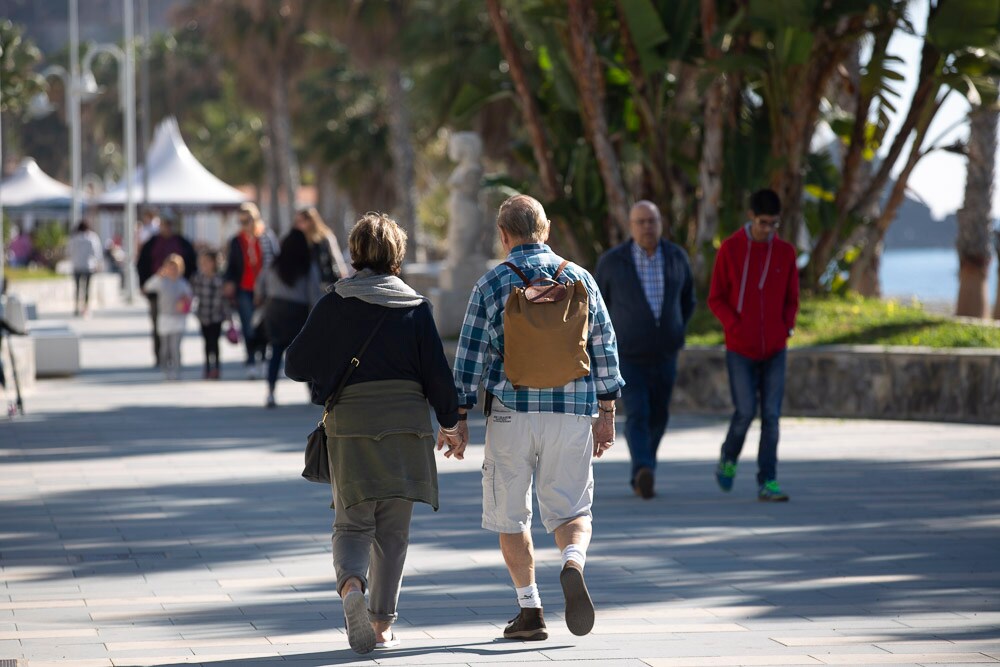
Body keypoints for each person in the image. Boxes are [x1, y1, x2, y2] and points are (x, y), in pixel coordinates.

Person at [444, 194, 624, 641]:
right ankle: (572, 562)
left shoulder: (491, 284)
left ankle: (531, 610)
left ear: (504, 235)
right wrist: (607, 413)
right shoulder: (580, 278)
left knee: (511, 517)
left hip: (511, 416)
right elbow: (604, 349)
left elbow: (469, 358)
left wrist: (458, 418)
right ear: (545, 229)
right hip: (571, 416)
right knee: (571, 510)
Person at [285, 212, 461, 654]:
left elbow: (294, 364)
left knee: (353, 521)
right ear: (397, 255)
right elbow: (437, 375)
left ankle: (350, 589)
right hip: (407, 426)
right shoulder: (416, 308)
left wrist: (332, 365)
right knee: (394, 531)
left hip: (352, 426)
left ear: (355, 252)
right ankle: (381, 625)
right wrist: (451, 423)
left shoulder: (335, 302)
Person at [595, 201, 695, 499]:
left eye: (652, 221)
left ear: (660, 223)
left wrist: (676, 329)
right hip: (628, 354)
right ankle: (643, 468)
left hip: (666, 352)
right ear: (630, 226)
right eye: (640, 222)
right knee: (638, 413)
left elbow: (688, 300)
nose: (647, 227)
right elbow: (600, 307)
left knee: (659, 415)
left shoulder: (676, 257)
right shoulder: (613, 261)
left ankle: (644, 469)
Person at [708, 188, 800, 502]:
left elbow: (792, 299)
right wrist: (735, 325)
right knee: (745, 411)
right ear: (751, 217)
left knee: (771, 416)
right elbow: (715, 298)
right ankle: (729, 457)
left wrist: (786, 326)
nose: (768, 229)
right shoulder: (731, 249)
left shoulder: (786, 253)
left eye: (774, 223)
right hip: (740, 349)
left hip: (775, 349)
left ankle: (768, 480)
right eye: (763, 222)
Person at [255, 229, 322, 408]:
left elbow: (260, 286)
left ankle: (270, 392)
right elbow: (314, 295)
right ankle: (312, 392)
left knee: (275, 352)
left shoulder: (274, 265)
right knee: (304, 353)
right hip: (297, 312)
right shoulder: (308, 266)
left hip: (274, 310)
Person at [137, 216, 197, 367]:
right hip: (158, 291)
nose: (167, 228)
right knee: (158, 325)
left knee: (176, 330)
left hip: (178, 291)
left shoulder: (182, 243)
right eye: (164, 225)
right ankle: (161, 357)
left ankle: (175, 355)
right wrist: (144, 285)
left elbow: (191, 263)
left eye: (169, 225)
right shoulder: (152, 243)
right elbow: (142, 264)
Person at [223, 203, 269, 378]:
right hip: (244, 288)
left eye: (247, 220)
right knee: (248, 326)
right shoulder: (236, 241)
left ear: (256, 219)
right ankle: (250, 360)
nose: (244, 225)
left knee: (263, 326)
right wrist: (228, 282)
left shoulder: (265, 237)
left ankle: (263, 359)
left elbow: (272, 262)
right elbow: (231, 266)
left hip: (264, 290)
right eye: (240, 221)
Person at [142, 253, 193, 381]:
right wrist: (157, 276)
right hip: (164, 318)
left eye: (175, 268)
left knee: (175, 347)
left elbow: (190, 297)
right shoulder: (161, 282)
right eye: (169, 267)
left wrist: (185, 302)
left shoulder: (183, 283)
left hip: (178, 319)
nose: (172, 270)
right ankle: (165, 369)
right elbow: (147, 287)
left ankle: (176, 370)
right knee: (165, 347)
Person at [191, 250, 228, 380]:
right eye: (202, 262)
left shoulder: (218, 279)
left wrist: (226, 315)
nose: (204, 265)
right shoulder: (198, 278)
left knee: (215, 342)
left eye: (207, 262)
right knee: (206, 343)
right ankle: (207, 367)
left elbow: (221, 299)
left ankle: (216, 367)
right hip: (203, 315)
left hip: (216, 317)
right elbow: (194, 296)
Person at [294, 206, 349, 290]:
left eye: (301, 221)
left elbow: (336, 258)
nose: (298, 225)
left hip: (326, 281)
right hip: (307, 285)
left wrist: (343, 276)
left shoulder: (325, 237)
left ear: (310, 221)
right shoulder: (300, 239)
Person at [68, 221, 103, 317]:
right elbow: (97, 252)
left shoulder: (74, 238)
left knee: (77, 288)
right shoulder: (92, 237)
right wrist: (98, 263)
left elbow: (69, 251)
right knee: (87, 288)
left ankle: (76, 307)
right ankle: (86, 308)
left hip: (77, 266)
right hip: (88, 266)